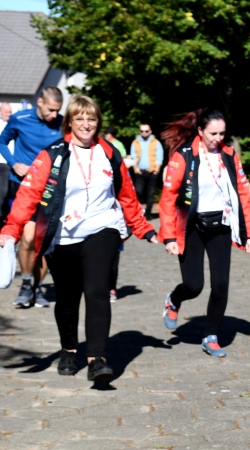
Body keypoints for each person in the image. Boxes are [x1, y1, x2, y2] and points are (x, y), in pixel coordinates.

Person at [0, 95, 158, 382]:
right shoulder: (52, 154)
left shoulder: (109, 153)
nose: (86, 124)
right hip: (62, 235)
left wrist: (142, 227)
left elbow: (126, 194)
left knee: (97, 289)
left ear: (98, 122)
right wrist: (11, 230)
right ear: (70, 122)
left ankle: (97, 359)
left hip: (103, 227)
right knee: (67, 298)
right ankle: (69, 350)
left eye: (91, 118)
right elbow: (28, 195)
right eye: (80, 118)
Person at [158, 107, 250, 358]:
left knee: (221, 285)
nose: (218, 138)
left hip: (221, 225)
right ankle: (174, 299)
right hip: (192, 226)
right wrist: (169, 237)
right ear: (200, 131)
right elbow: (168, 198)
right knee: (194, 286)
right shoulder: (183, 156)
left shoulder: (229, 155)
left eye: (222, 133)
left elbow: (243, 194)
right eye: (213, 133)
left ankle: (211, 336)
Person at [1, 86, 64, 309]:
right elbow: (2, 141)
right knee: (27, 238)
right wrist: (14, 163)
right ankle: (26, 285)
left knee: (43, 242)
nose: (54, 115)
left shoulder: (63, 124)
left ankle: (37, 287)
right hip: (23, 188)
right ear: (40, 102)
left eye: (57, 110)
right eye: (50, 110)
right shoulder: (20, 119)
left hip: (50, 191)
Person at [103, 127, 129, 302]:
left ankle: (111, 287)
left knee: (113, 257)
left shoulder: (116, 150)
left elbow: (128, 197)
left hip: (115, 217)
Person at [130, 123, 164, 219]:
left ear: (150, 131)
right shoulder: (135, 142)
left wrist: (157, 170)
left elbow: (159, 156)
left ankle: (148, 213)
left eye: (146, 131)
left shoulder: (156, 142)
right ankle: (137, 213)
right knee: (137, 193)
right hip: (140, 172)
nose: (144, 133)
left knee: (150, 194)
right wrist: (136, 169)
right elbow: (133, 157)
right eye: (142, 131)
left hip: (152, 172)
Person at [0, 102, 11, 220]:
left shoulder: (12, 125)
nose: (9, 114)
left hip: (9, 163)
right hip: (2, 163)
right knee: (3, 191)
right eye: (6, 112)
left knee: (6, 191)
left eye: (10, 112)